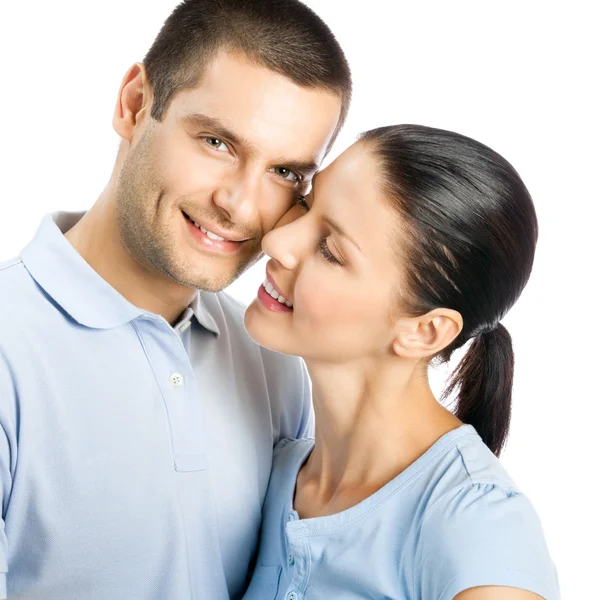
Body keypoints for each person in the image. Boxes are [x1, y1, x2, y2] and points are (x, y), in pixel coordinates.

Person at [0, 1, 351, 598]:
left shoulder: (272, 357)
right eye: (217, 142)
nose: (241, 206)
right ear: (135, 104)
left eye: (285, 173)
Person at [242, 124, 560, 600]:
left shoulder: (480, 526)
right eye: (306, 205)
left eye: (330, 250)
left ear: (424, 331)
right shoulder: (274, 472)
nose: (277, 243)